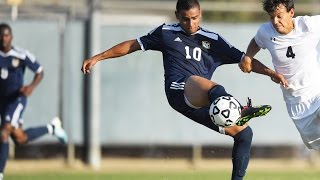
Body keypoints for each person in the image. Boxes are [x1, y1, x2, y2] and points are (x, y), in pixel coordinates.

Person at [82, 0, 272, 179]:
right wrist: (98, 57)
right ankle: (240, 109)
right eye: (185, 19)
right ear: (177, 16)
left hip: (202, 102)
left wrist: (272, 73)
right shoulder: (166, 33)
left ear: (201, 14)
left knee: (244, 134)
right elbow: (132, 45)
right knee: (209, 86)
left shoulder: (213, 40)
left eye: (195, 18)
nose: (190, 23)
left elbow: (246, 60)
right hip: (178, 91)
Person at [240, 0, 320, 150]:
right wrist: (248, 56)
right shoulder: (265, 32)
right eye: (271, 17)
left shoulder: (309, 25)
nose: (275, 22)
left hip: (317, 92)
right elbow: (256, 42)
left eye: (279, 16)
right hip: (297, 104)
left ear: (291, 12)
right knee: (315, 145)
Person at [0, 23, 68, 180]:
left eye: (6, 35)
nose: (4, 38)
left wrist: (31, 87)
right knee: (20, 138)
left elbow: (39, 71)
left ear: (11, 37)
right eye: (1, 35)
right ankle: (52, 128)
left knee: (4, 132)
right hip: (2, 102)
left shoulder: (20, 54)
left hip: (16, 99)